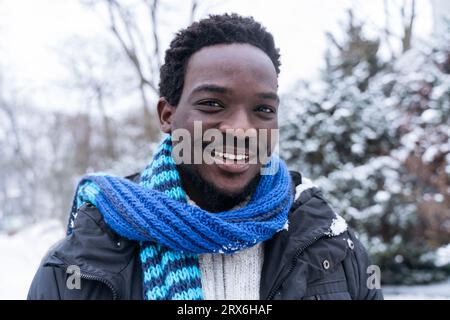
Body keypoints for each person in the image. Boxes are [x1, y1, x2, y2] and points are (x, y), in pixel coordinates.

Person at [28, 13, 383, 300]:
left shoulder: (332, 246)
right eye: (212, 104)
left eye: (263, 109)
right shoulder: (79, 263)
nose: (241, 129)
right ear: (167, 115)